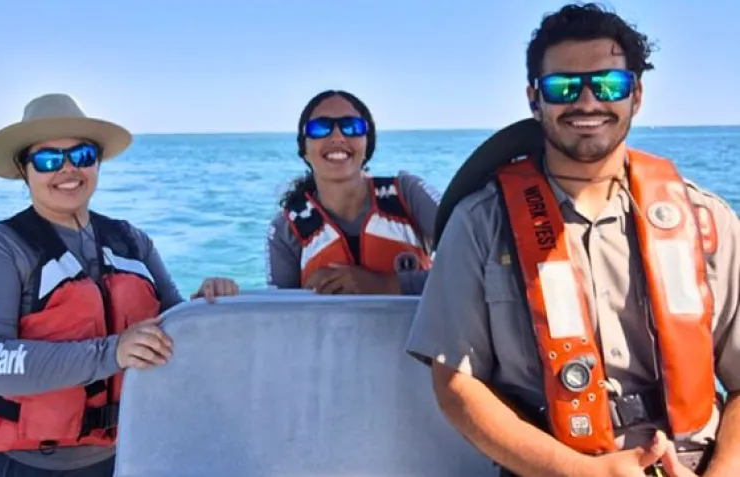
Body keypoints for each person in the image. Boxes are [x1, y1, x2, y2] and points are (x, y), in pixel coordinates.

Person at [405, 4, 740, 477]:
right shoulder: (479, 224)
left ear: (636, 95)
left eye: (609, 84)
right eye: (563, 87)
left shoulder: (708, 220)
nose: (587, 102)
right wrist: (584, 473)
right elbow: (456, 385)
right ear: (533, 98)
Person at [0, 93, 240, 477]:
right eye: (48, 159)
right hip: (9, 461)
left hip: (114, 456)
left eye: (82, 155)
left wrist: (205, 308)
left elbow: (173, 329)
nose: (68, 169)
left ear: (97, 163)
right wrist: (112, 352)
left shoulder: (132, 240)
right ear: (23, 168)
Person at [265, 89, 441, 295]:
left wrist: (387, 285)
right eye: (320, 128)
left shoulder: (407, 195)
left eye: (352, 127)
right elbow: (278, 310)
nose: (337, 137)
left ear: (368, 144)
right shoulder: (286, 230)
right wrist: (308, 296)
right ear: (304, 149)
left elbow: (469, 265)